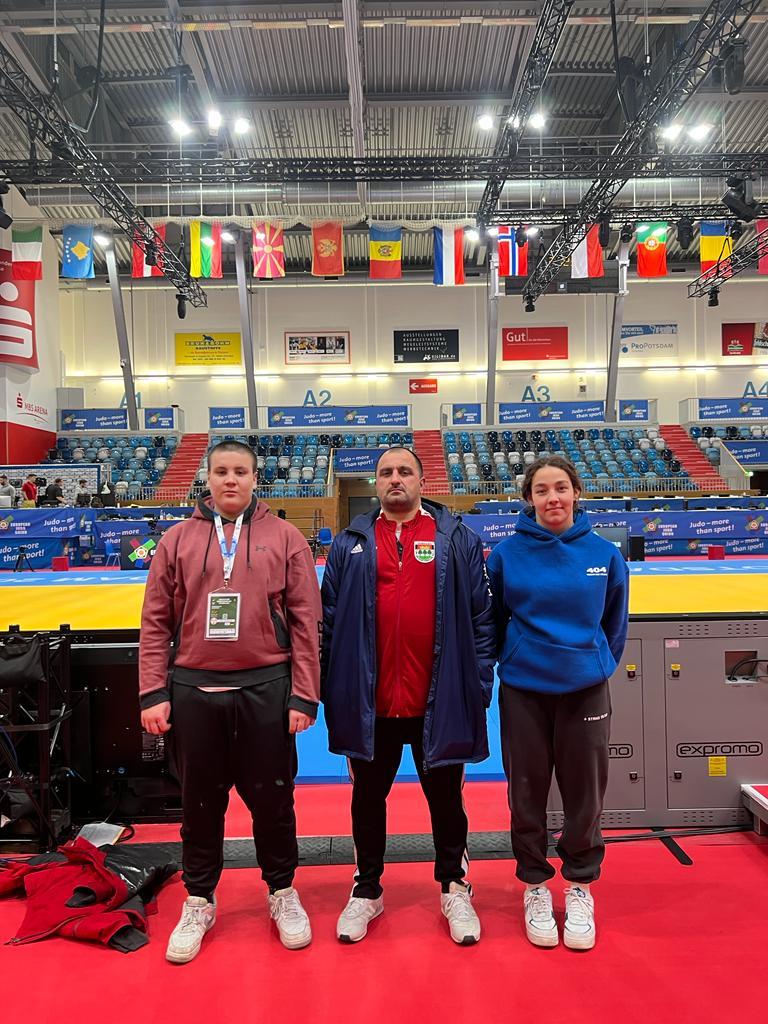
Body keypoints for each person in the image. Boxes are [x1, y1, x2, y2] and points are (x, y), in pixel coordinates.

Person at [139, 440, 322, 963]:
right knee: (199, 805)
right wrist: (153, 691)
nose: (231, 480)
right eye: (221, 471)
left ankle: (282, 890)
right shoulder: (177, 538)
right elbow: (155, 622)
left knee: (273, 802)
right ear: (208, 477)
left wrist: (304, 694)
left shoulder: (285, 536)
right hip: (194, 690)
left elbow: (307, 622)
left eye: (240, 471)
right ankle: (199, 898)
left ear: (255, 477)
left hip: (268, 689)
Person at [321, 446, 495, 946]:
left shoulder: (456, 539)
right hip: (371, 703)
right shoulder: (351, 542)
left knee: (446, 800)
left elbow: (482, 620)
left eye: (404, 471)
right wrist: (335, 688)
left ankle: (454, 886)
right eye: (385, 472)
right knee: (366, 799)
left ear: (422, 480)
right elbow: (328, 623)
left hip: (439, 699)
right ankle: (367, 889)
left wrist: (479, 684)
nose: (394, 479)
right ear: (375, 483)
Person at [486, 456, 629, 952]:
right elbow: (494, 619)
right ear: (528, 498)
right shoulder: (505, 556)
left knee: (585, 794)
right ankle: (534, 884)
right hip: (524, 690)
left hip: (584, 689)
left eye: (561, 488)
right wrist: (513, 659)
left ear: (576, 493)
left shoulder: (603, 554)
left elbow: (614, 623)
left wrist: (594, 665)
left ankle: (581, 884)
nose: (553, 498)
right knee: (525, 792)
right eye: (542, 490)